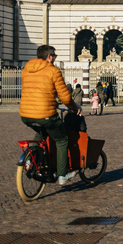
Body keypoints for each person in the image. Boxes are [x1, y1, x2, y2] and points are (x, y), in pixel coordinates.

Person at [20, 45, 82, 185]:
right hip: (45, 114)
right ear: (49, 56)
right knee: (62, 139)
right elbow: (65, 97)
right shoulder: (53, 71)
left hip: (25, 114)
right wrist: (74, 107)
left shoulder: (26, 70)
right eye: (54, 55)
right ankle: (62, 174)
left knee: (42, 132)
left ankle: (30, 159)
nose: (55, 58)